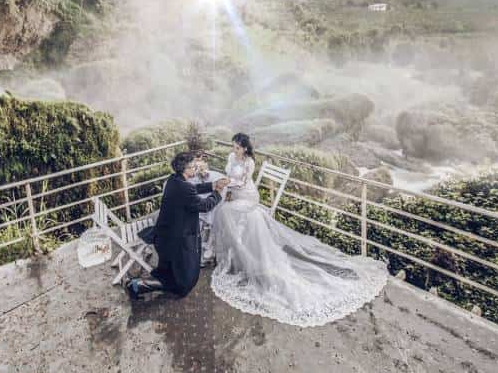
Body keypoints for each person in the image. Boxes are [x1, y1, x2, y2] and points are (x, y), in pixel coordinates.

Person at [210, 133, 390, 326]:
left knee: (225, 211)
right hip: (234, 194)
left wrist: (226, 184)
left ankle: (243, 252)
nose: (234, 150)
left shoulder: (249, 162)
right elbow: (229, 175)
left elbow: (243, 182)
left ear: (245, 148)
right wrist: (227, 187)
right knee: (223, 209)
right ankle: (237, 253)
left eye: (237, 147)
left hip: (247, 196)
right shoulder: (231, 157)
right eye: (233, 146)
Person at [125, 151, 229, 300]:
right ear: (184, 169)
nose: (196, 169)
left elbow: (193, 189)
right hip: (175, 239)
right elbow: (205, 205)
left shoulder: (174, 180)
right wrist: (218, 192)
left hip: (165, 234)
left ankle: (139, 285)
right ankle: (138, 285)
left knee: (175, 273)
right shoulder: (185, 188)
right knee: (183, 282)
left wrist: (212, 185)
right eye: (193, 167)